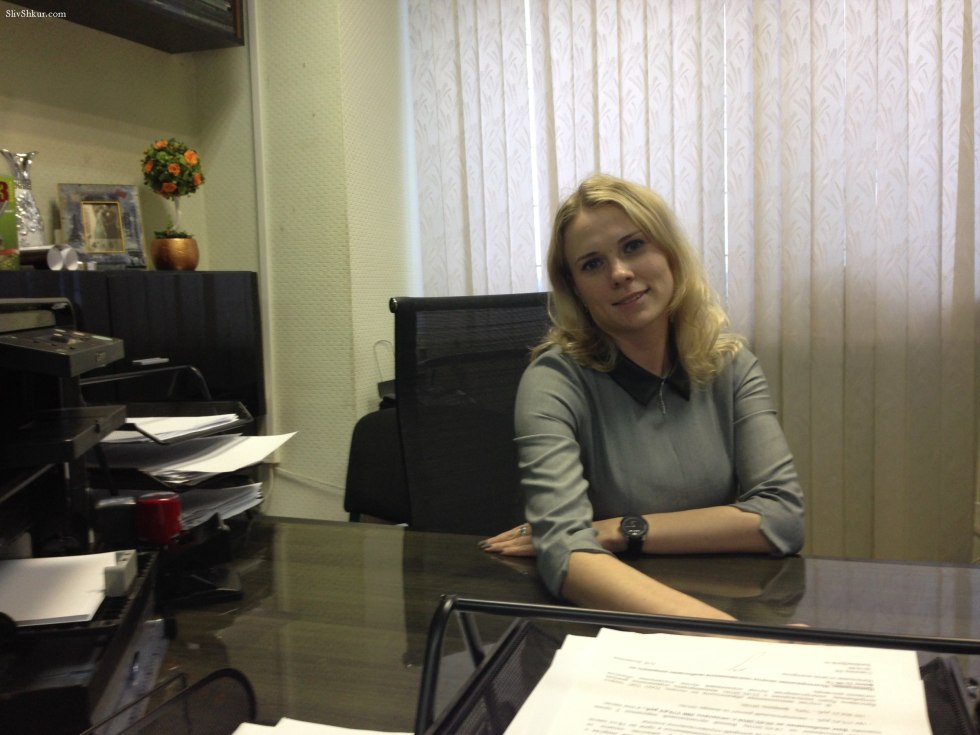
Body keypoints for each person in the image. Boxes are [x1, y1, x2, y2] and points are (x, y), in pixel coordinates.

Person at [479, 174, 805, 621]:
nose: (619, 273)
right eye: (592, 264)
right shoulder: (553, 380)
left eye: (633, 246)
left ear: (669, 252)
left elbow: (782, 517)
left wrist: (622, 530)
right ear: (575, 288)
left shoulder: (729, 364)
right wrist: (725, 634)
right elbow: (567, 554)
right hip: (608, 620)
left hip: (724, 596)